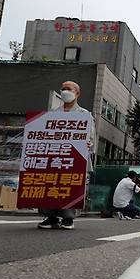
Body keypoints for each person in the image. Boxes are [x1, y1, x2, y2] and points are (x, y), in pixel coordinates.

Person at [37, 81, 96, 230]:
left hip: (76, 158)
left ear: (77, 93)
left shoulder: (85, 115)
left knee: (71, 185)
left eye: (68, 89)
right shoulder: (52, 114)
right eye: (63, 89)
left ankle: (68, 218)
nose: (64, 91)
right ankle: (50, 216)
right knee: (51, 184)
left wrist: (87, 144)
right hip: (55, 155)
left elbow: (91, 138)